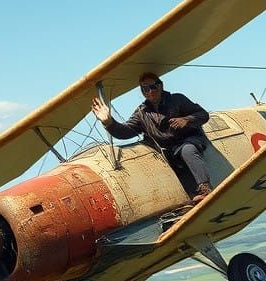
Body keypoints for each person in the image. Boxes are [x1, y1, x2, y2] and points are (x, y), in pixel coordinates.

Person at [91, 74, 213, 203]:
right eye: (145, 89)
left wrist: (186, 120)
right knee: (167, 161)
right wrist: (108, 122)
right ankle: (191, 198)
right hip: (169, 150)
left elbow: (203, 115)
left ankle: (206, 188)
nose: (150, 91)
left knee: (187, 150)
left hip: (190, 139)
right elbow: (124, 132)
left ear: (160, 86)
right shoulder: (142, 113)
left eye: (153, 87)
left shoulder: (177, 99)